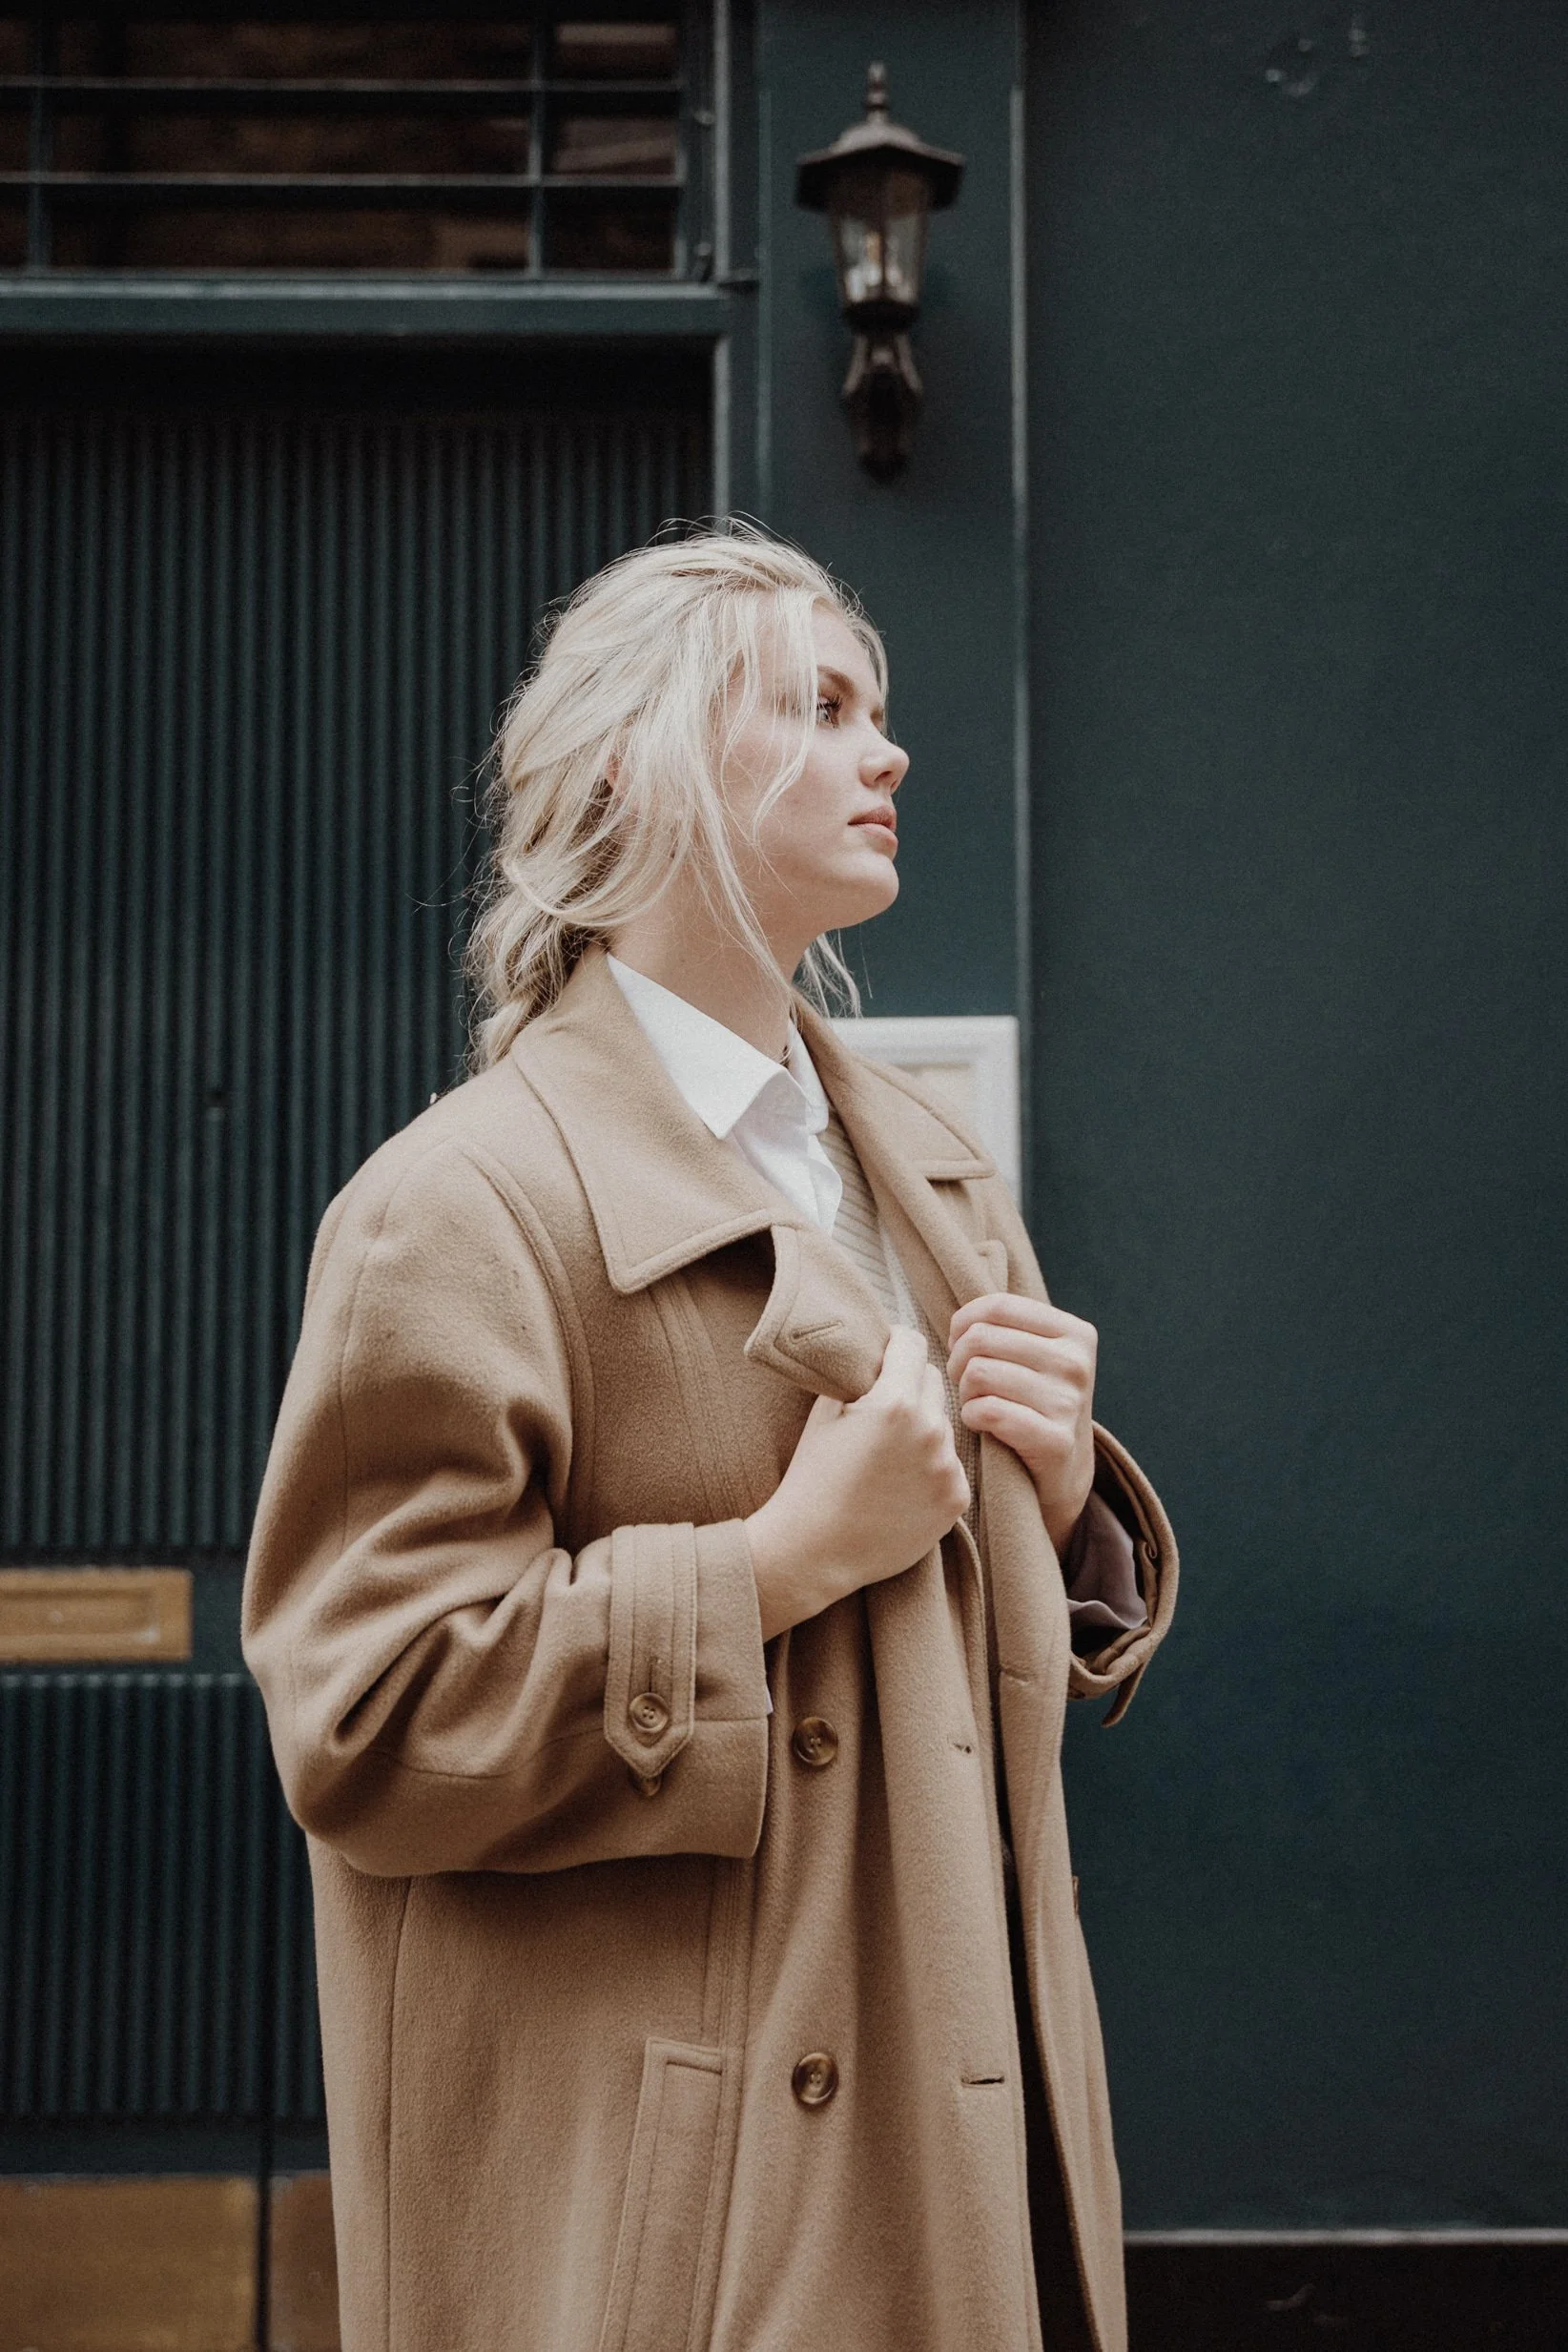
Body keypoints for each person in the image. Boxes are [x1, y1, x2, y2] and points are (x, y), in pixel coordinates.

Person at [243, 526, 1177, 2352]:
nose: (887, 752)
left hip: (967, 2158)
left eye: (881, 709)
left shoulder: (925, 1171)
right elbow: (366, 1716)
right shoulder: (459, 1207)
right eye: (821, 706)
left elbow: (962, 1680)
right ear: (634, 770)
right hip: (682, 2217)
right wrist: (772, 1566)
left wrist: (1064, 1510)